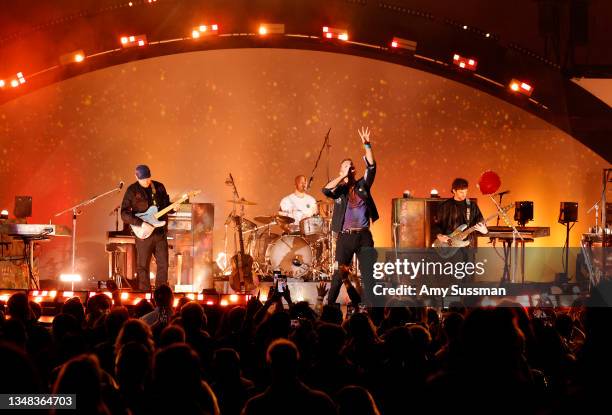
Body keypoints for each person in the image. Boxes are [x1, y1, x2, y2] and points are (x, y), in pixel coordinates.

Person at [322, 127, 378, 305]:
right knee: (339, 274)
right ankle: (329, 307)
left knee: (369, 273)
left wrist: (367, 145)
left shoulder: (362, 185)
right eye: (346, 166)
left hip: (363, 236)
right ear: (341, 171)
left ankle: (372, 308)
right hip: (345, 237)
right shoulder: (339, 191)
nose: (350, 168)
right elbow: (325, 190)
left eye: (351, 166)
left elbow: (372, 166)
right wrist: (341, 176)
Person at [121, 165, 171, 290]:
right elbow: (124, 214)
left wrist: (173, 209)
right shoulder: (132, 190)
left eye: (148, 178)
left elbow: (166, 206)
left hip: (159, 232)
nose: (147, 182)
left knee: (163, 264)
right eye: (143, 179)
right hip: (143, 233)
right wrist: (141, 223)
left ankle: (161, 293)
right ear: (136, 177)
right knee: (143, 266)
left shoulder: (159, 187)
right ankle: (144, 293)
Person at [433, 178, 488, 248]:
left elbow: (480, 221)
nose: (464, 194)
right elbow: (436, 225)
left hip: (468, 247)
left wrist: (484, 230)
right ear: (454, 191)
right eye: (461, 192)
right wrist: (439, 236)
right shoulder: (444, 206)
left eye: (466, 192)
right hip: (448, 245)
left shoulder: (472, 206)